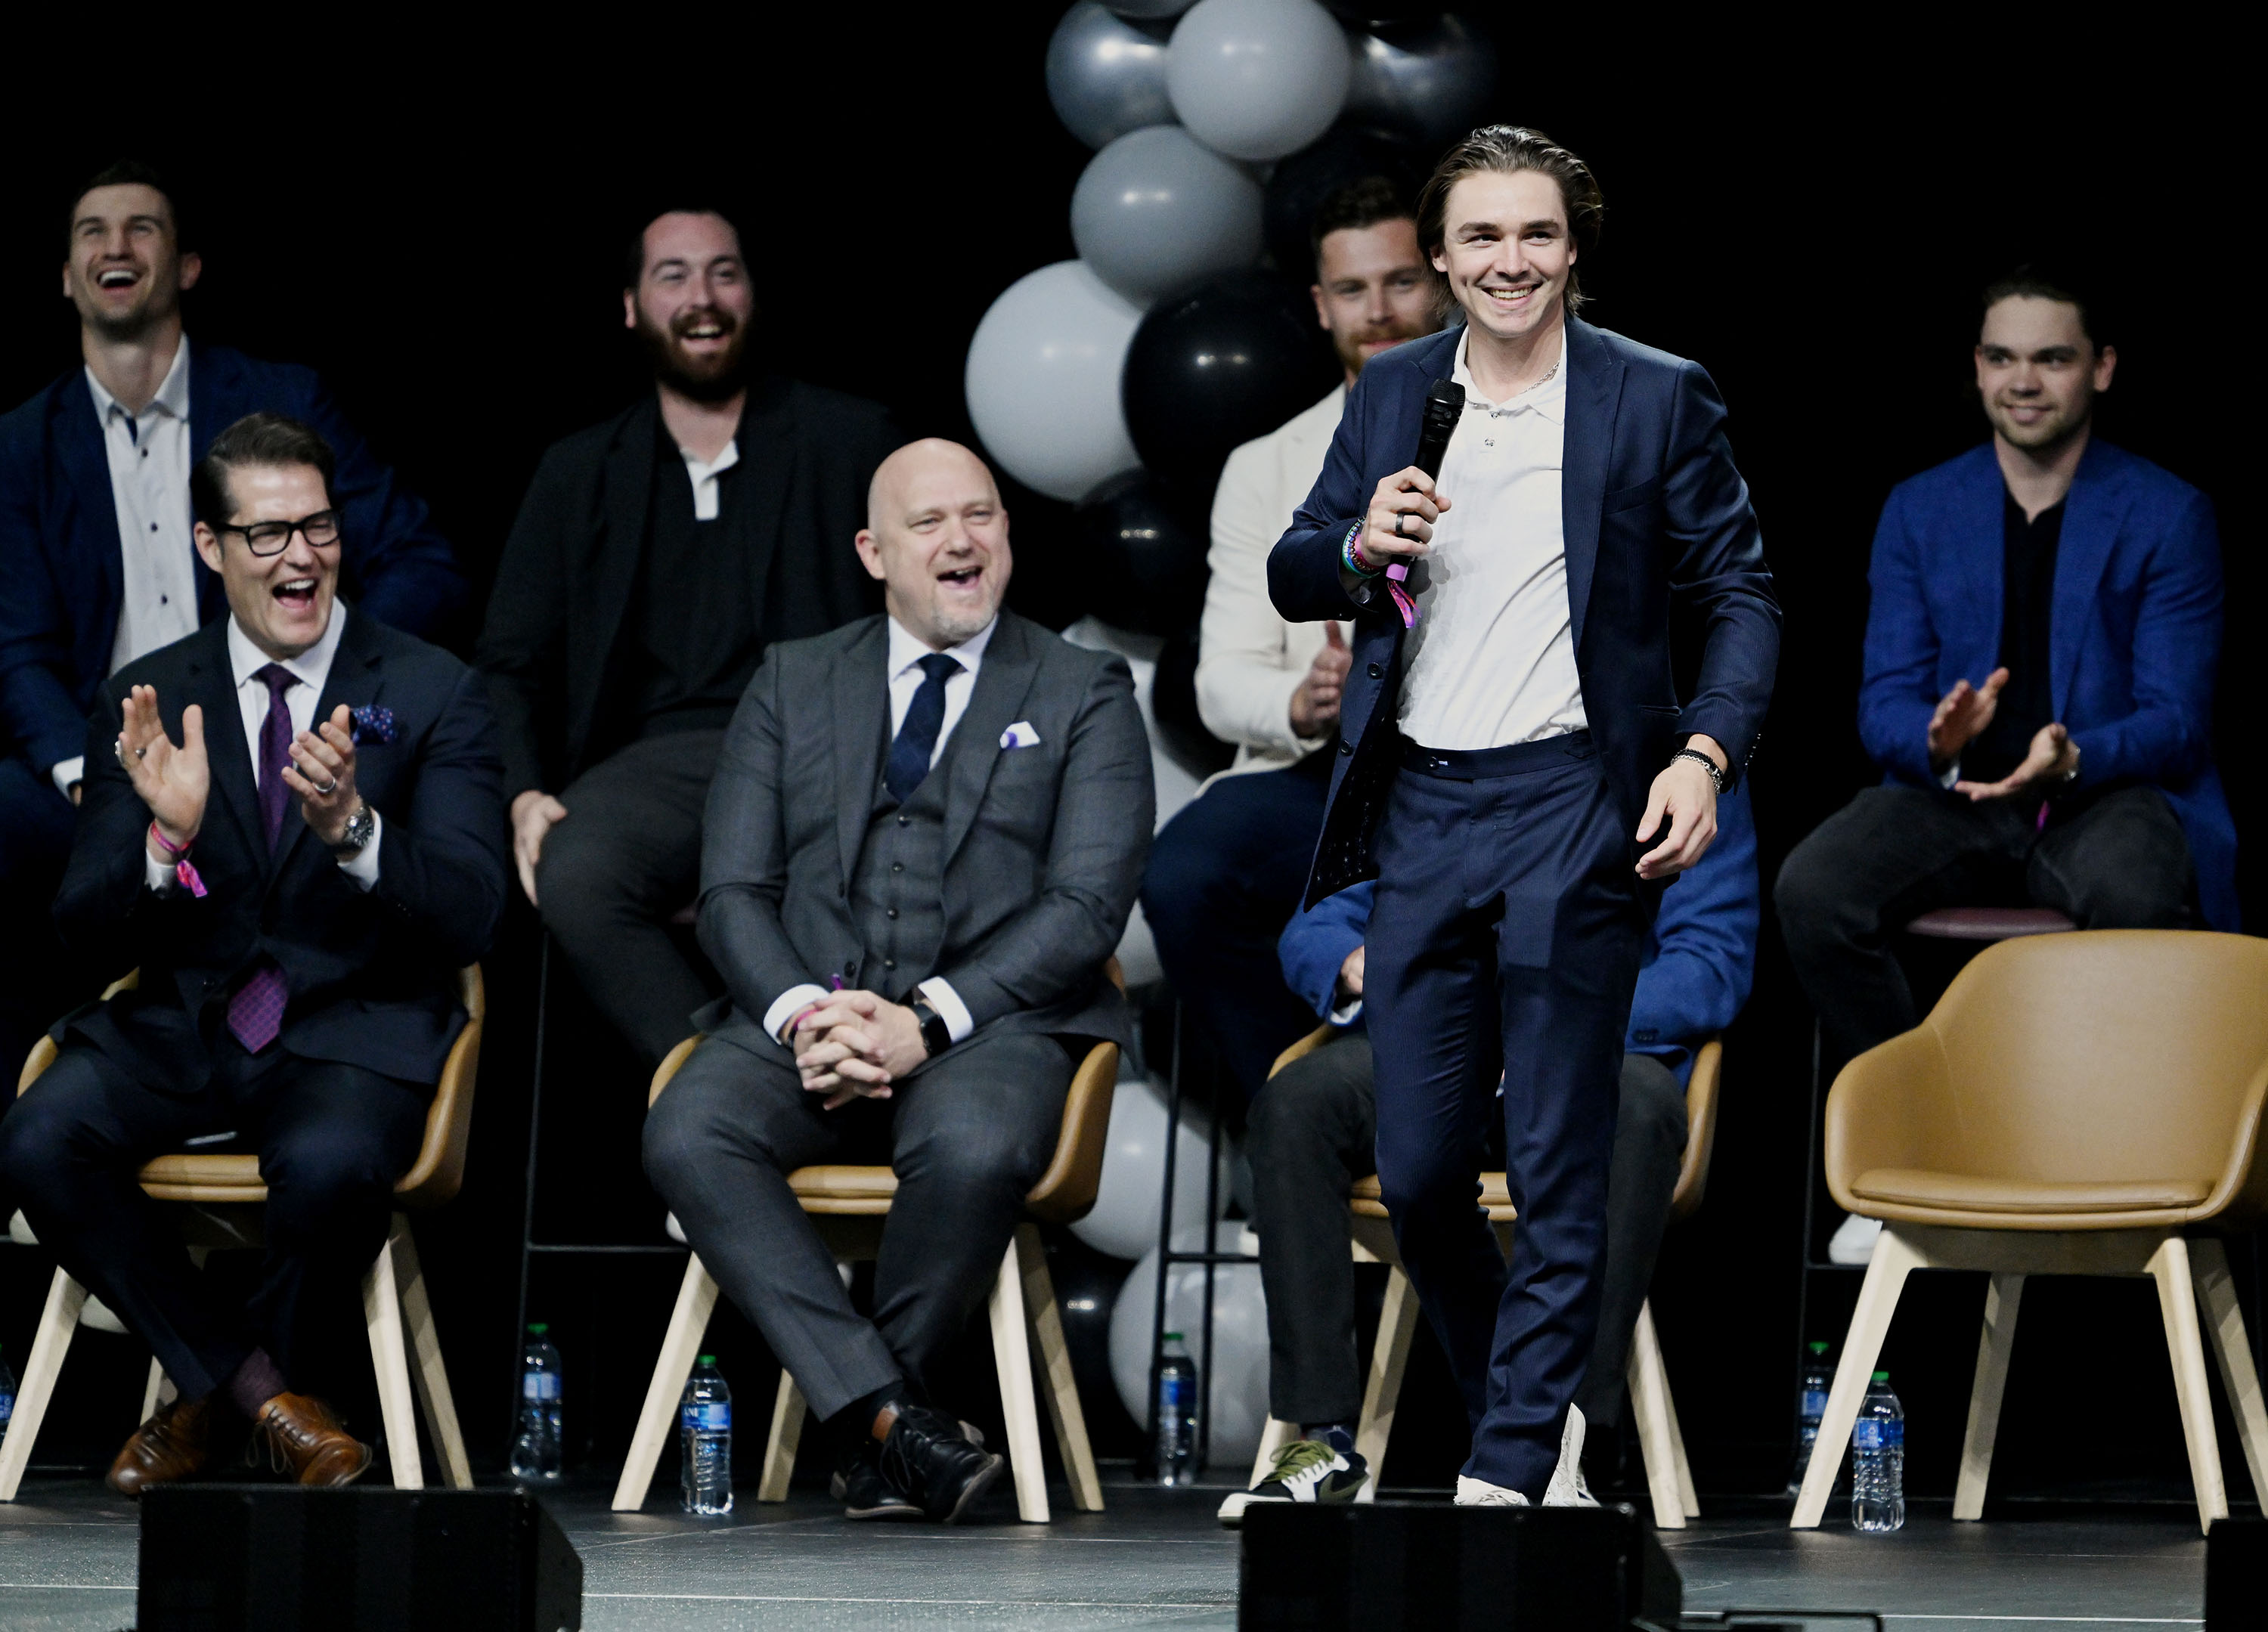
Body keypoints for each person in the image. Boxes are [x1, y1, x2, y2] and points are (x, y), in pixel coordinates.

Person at [1267, 127, 1779, 1507]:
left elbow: (1740, 593)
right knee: (1423, 1174)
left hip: (1571, 796)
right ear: (1439, 258)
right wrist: (1356, 544)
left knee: (1556, 1162)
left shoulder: (1654, 392)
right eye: (1482, 237)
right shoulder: (1393, 390)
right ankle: (1540, 1422)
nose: (1510, 261)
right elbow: (1296, 565)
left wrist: (1705, 754)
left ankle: (1502, 1475)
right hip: (1426, 805)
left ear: (1575, 247)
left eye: (1536, 234)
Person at [643, 439, 1152, 1525]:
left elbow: (1086, 906)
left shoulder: (1083, 688)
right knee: (688, 1128)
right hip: (812, 1016)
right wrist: (803, 1014)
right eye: (930, 522)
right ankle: (891, 1423)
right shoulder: (794, 678)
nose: (963, 540)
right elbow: (732, 890)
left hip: (992, 1024)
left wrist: (928, 1018)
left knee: (975, 1145)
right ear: (875, 551)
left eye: (982, 515)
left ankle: (871, 1425)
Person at [0, 413, 509, 1496]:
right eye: (267, 533)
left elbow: (474, 913)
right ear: (210, 544)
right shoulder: (148, 694)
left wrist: (357, 834)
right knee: (40, 1135)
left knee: (330, 1167)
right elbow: (81, 925)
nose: (300, 557)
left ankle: (207, 1406)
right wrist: (163, 840)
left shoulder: (431, 689)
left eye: (318, 526)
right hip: (184, 1027)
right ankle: (263, 1399)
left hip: (350, 1028)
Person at [1774, 267, 2229, 1265]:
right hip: (1959, 797)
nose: (2025, 380)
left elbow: (2177, 720)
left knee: (2139, 891)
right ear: (1977, 369)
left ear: (2100, 368)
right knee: (1816, 888)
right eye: (2004, 358)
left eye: (2052, 358)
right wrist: (1934, 741)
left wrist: (2074, 753)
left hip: (2103, 792)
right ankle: (1914, 1156)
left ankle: (2106, 1171)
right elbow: (1883, 701)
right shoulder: (1920, 508)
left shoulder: (2168, 512)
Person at [0, 161, 466, 1086]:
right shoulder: (21, 441)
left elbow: (422, 563)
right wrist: (90, 777)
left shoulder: (280, 399)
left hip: (272, 745)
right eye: (93, 231)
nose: (116, 246)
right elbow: (17, 646)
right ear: (66, 277)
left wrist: (319, 673)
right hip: (114, 766)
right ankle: (46, 1097)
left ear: (188, 266)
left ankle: (316, 1078)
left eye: (142, 227)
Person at [1224, 782, 1757, 1519]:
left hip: (1596, 1047)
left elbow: (1710, 962)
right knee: (1296, 1104)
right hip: (1438, 1041)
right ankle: (1325, 1442)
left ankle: (1560, 1440)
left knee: (1641, 1109)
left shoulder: (1679, 769)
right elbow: (1319, 920)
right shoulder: (1440, 748)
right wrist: (1358, 963)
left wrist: (1549, 1020)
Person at [478, 206, 903, 1067]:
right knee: (574, 869)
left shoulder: (851, 440)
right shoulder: (579, 471)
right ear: (632, 306)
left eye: (724, 273)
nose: (702, 297)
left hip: (820, 755)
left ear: (752, 295)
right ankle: (722, 1090)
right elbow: (509, 663)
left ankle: (777, 1095)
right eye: (673, 276)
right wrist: (522, 793)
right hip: (655, 768)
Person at [1142, 176, 1439, 1101]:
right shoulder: (1266, 465)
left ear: (1440, 281)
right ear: (1320, 305)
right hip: (1319, 769)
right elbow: (1220, 680)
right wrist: (1302, 702)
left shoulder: (1506, 431)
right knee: (1187, 874)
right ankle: (1300, 1112)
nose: (1377, 310)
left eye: (1400, 281)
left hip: (1466, 762)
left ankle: (1404, 1104)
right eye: (1352, 289)